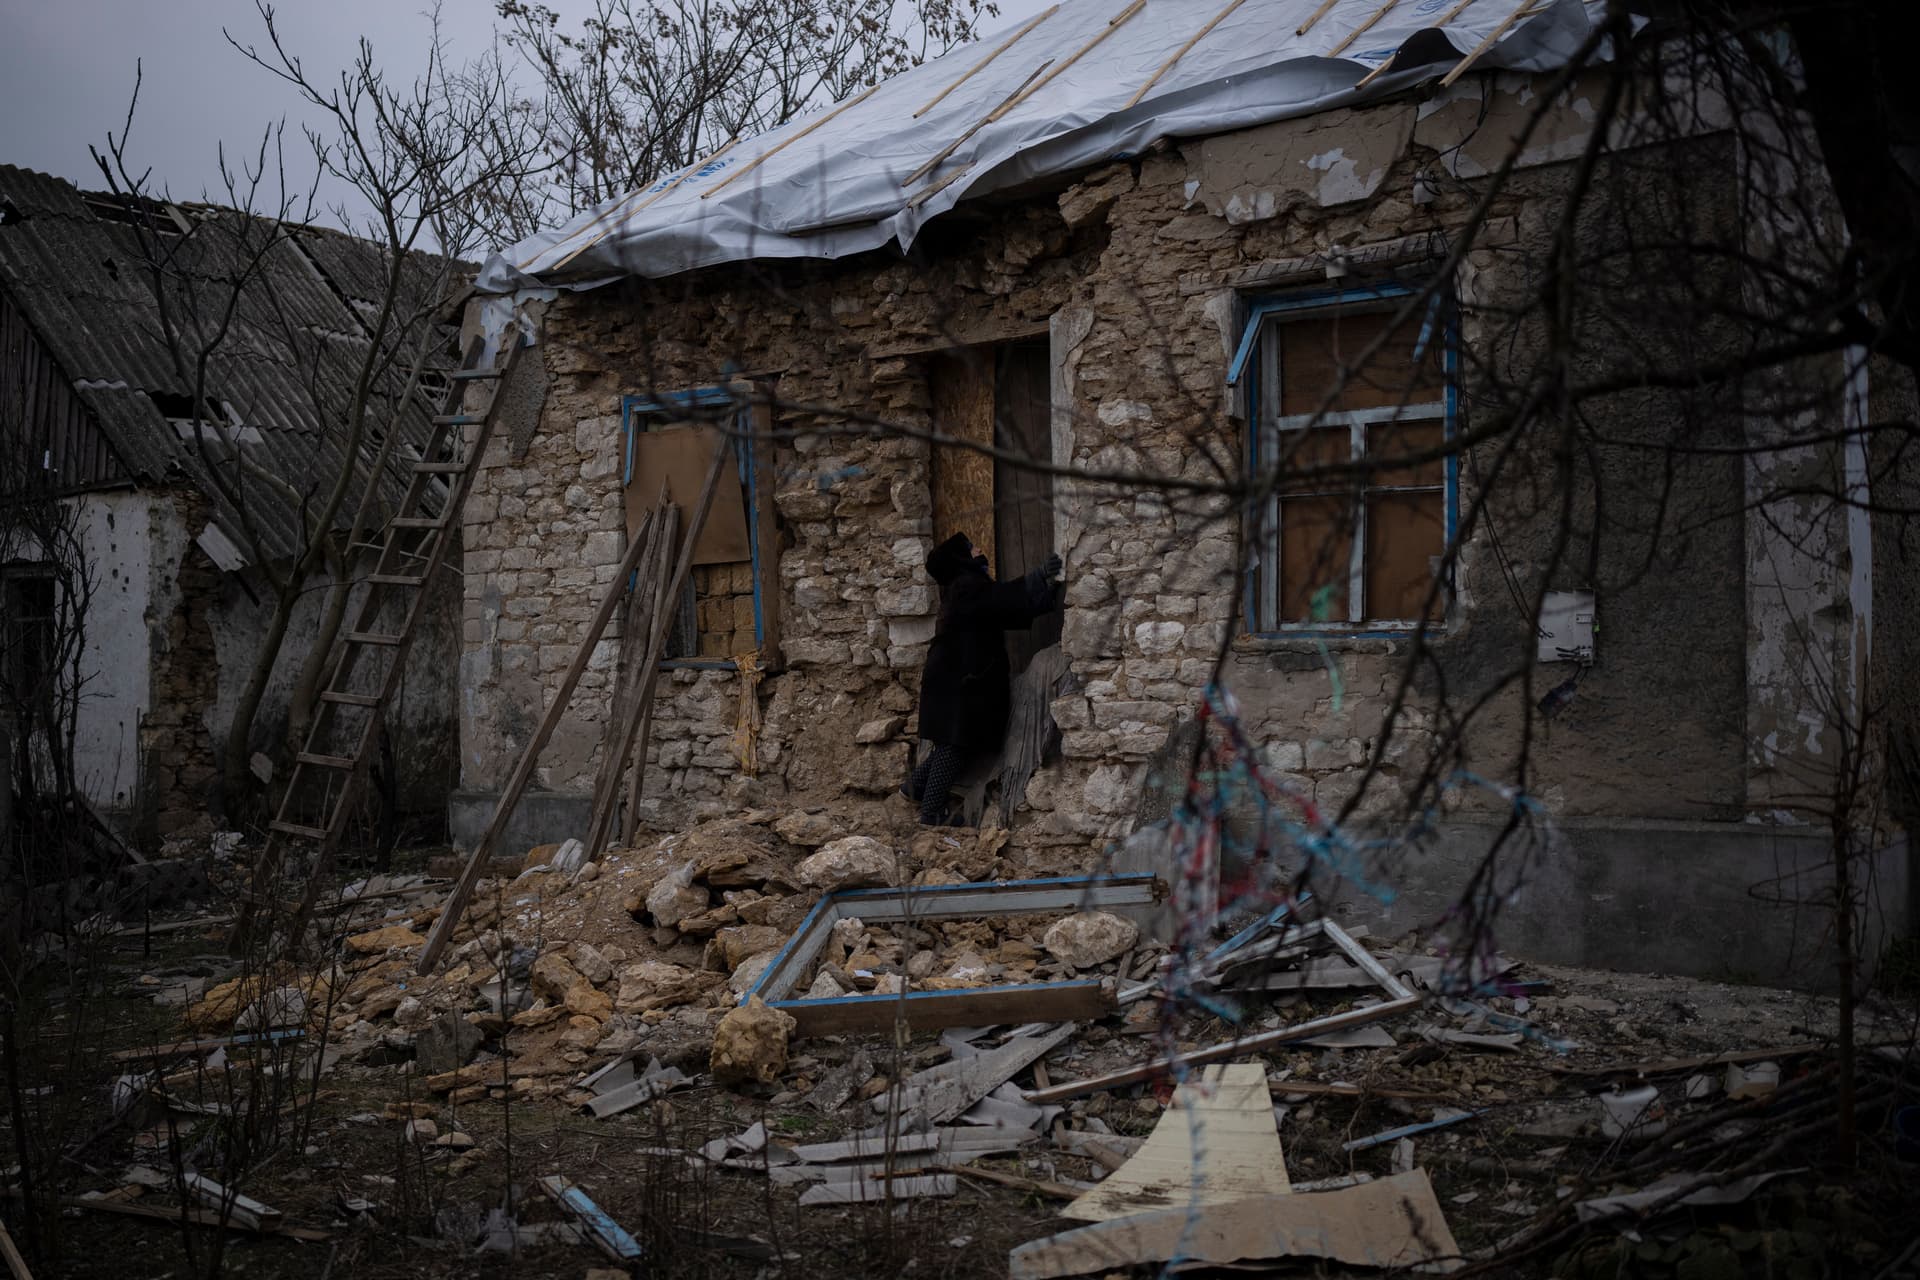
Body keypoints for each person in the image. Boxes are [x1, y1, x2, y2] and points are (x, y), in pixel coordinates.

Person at [905, 531, 1063, 825]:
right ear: (962, 559)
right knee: (955, 744)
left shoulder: (968, 588)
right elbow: (1001, 599)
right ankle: (930, 813)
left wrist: (1044, 593)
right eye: (972, 547)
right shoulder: (967, 586)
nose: (979, 549)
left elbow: (1000, 610)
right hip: (958, 681)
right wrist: (1037, 577)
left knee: (953, 741)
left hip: (956, 679)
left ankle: (913, 787)